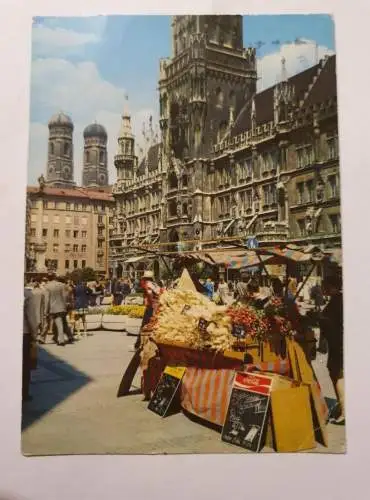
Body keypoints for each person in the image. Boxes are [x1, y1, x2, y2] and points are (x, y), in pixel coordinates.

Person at [320, 274, 344, 425]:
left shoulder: (337, 301)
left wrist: (319, 318)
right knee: (335, 371)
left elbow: (332, 322)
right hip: (337, 344)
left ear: (331, 286)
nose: (322, 288)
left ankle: (344, 411)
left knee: (337, 373)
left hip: (338, 344)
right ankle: (342, 407)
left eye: (325, 285)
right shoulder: (337, 300)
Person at [134, 270, 161, 350]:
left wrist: (152, 302)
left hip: (151, 307)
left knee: (144, 326)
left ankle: (138, 344)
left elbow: (150, 294)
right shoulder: (155, 284)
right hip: (157, 307)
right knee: (154, 326)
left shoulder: (147, 284)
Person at [44, 273, 69, 346]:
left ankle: (61, 340)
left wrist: (46, 310)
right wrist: (64, 306)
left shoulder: (47, 286)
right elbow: (65, 296)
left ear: (48, 278)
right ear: (55, 277)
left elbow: (47, 299)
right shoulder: (61, 285)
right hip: (61, 307)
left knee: (57, 322)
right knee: (58, 322)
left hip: (52, 307)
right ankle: (57, 338)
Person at [23, 286, 38, 402]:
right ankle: (24, 393)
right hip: (23, 334)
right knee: (24, 366)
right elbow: (31, 317)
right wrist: (34, 335)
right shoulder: (27, 294)